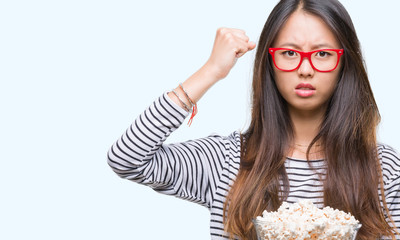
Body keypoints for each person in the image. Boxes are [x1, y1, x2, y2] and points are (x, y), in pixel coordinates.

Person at [107, 0, 400, 239]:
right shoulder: (226, 160)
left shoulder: (381, 168)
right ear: (269, 62)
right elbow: (127, 159)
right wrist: (211, 71)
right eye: (289, 53)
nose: (305, 69)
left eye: (322, 53)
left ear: (344, 63)